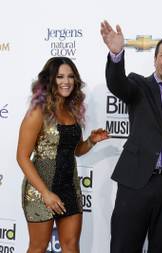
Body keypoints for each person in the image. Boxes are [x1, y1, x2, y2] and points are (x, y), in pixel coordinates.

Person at [100, 21, 162, 253]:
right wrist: (116, 54)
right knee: (124, 246)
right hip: (135, 183)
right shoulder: (138, 85)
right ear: (155, 60)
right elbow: (117, 83)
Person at [16, 57, 108, 253]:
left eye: (70, 77)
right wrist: (45, 193)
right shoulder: (37, 112)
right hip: (40, 190)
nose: (66, 81)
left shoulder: (72, 111)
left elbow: (75, 151)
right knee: (38, 247)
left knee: (71, 246)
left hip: (70, 187)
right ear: (50, 80)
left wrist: (91, 141)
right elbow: (22, 157)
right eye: (60, 77)